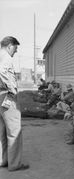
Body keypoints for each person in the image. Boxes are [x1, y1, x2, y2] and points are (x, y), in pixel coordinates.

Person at [0, 36, 29, 171]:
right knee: (14, 130)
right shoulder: (5, 57)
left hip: (0, 96)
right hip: (7, 96)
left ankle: (3, 160)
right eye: (15, 48)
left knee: (2, 131)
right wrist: (12, 90)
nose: (16, 51)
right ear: (9, 46)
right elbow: (2, 72)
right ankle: (14, 164)